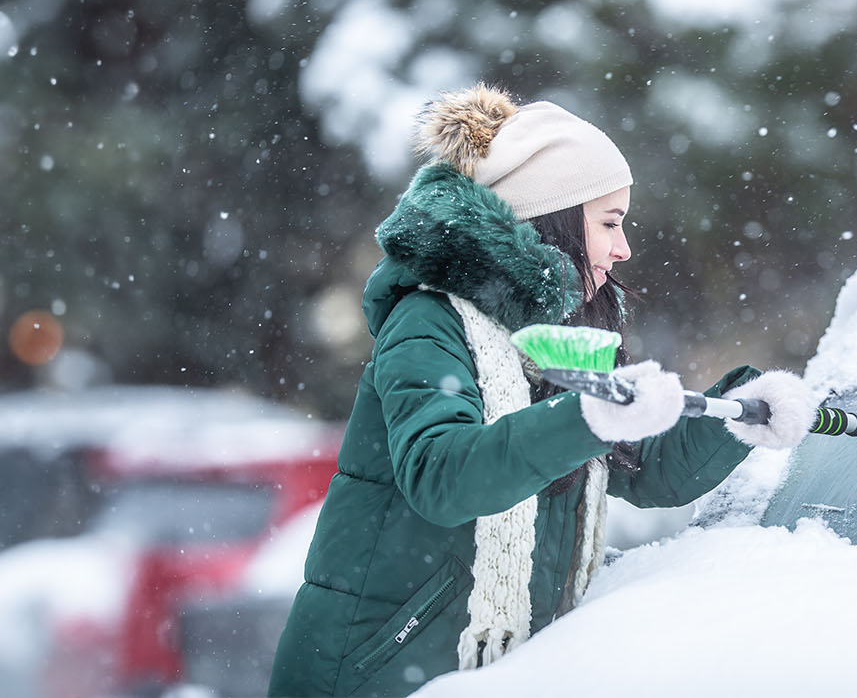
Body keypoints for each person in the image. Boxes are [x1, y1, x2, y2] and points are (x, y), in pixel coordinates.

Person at [267, 84, 817, 697]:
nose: (623, 248)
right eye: (609, 222)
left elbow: (643, 472)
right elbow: (443, 476)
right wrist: (587, 416)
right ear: (550, 218)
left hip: (488, 674)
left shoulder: (554, 338)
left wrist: (741, 413)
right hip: (374, 672)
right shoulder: (430, 321)